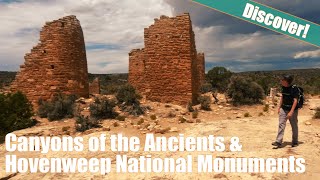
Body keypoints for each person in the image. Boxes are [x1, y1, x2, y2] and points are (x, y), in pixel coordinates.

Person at [272, 75, 299, 148]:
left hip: (292, 109)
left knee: (294, 125)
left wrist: (291, 112)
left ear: (287, 81)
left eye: (283, 80)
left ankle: (295, 141)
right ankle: (278, 141)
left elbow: (295, 100)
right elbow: (282, 97)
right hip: (283, 108)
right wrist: (279, 107)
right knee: (281, 124)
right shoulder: (283, 87)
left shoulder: (294, 88)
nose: (281, 81)